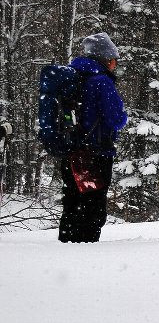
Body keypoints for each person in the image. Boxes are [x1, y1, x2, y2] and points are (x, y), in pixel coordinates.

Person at [58, 33, 128, 243]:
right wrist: (123, 115)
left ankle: (65, 246)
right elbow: (116, 119)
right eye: (114, 59)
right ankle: (87, 250)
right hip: (96, 153)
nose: (115, 64)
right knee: (93, 204)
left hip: (70, 151)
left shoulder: (71, 76)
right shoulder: (101, 82)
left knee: (72, 201)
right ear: (105, 59)